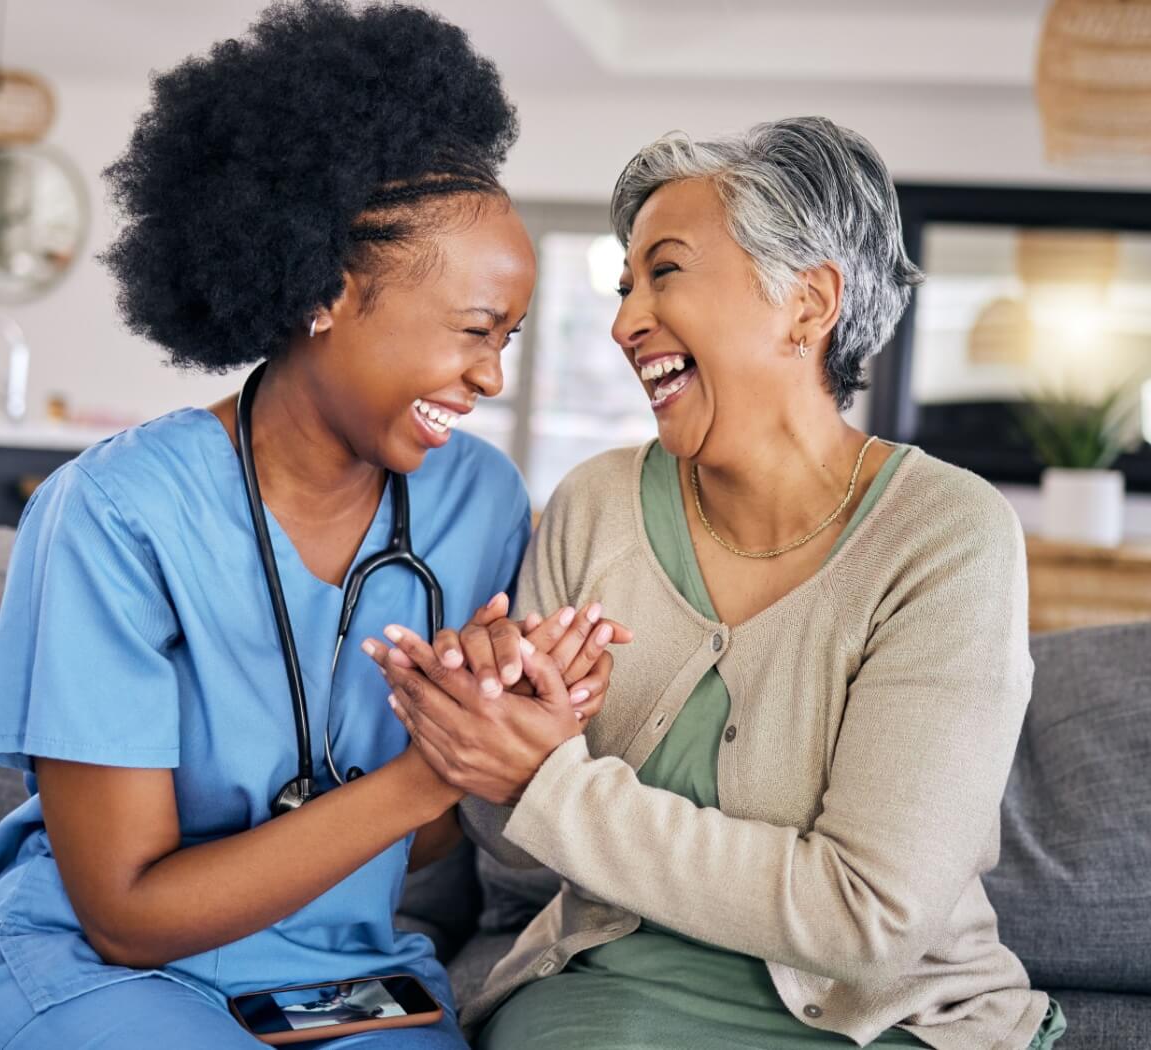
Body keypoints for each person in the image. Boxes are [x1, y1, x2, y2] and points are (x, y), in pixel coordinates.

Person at [0, 3, 622, 1048]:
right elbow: (127, 915)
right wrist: (430, 768)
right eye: (471, 331)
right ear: (325, 289)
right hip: (103, 968)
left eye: (505, 339)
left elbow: (422, 863)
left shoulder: (477, 502)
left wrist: (494, 721)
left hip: (342, 974)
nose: (490, 378)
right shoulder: (113, 512)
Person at [370, 117, 1067, 1048]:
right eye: (624, 286)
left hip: (884, 1022)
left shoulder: (945, 537)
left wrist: (548, 775)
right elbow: (515, 845)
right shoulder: (596, 505)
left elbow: (869, 920)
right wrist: (492, 722)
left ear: (809, 303)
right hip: (602, 994)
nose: (623, 322)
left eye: (665, 272)